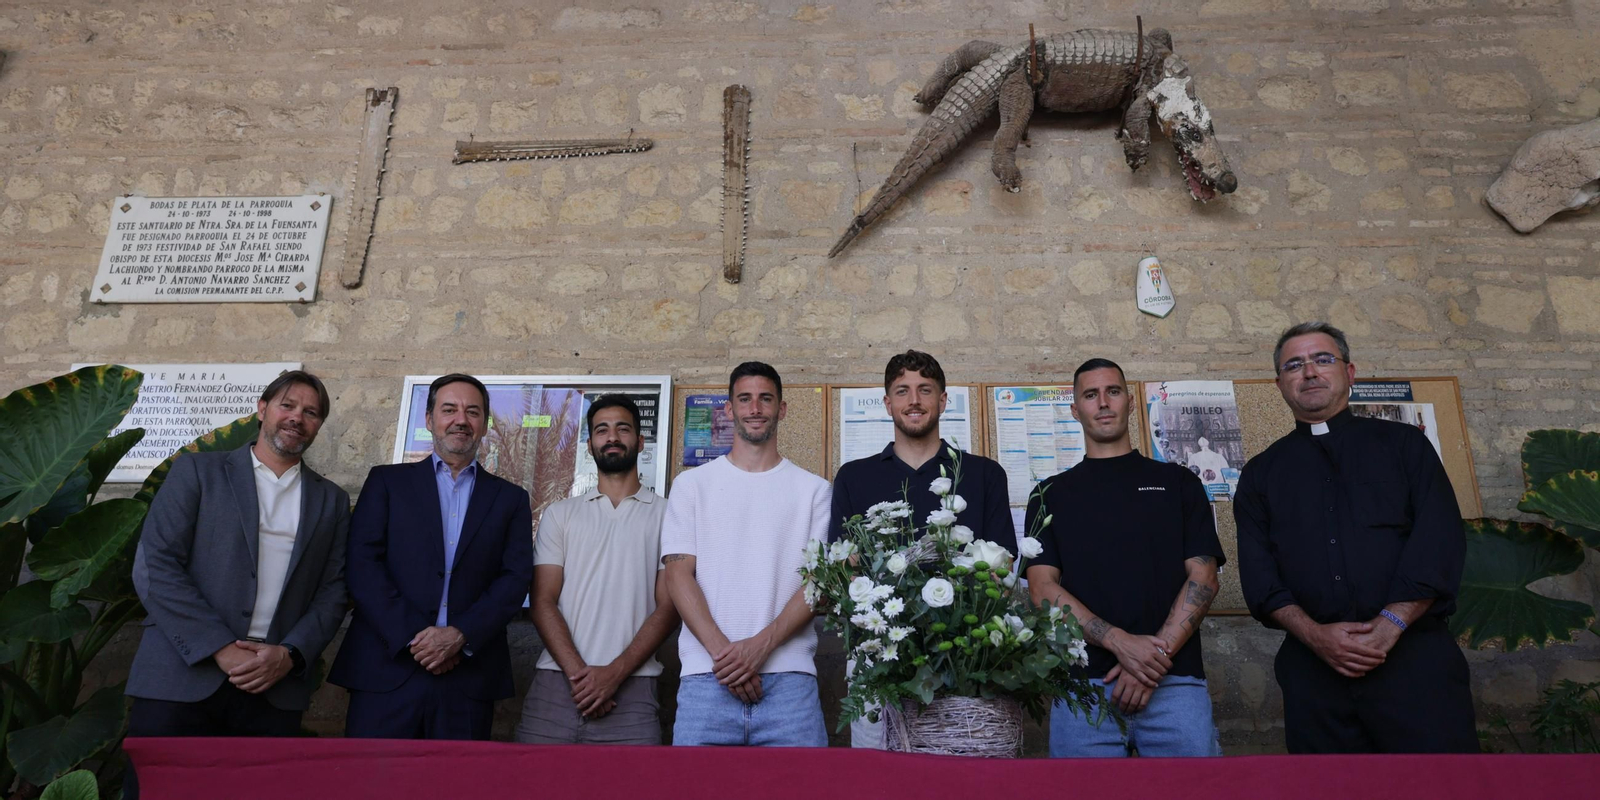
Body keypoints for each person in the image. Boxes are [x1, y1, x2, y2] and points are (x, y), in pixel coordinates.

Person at [1235, 322, 1476, 753]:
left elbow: (1438, 541)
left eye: (1322, 360)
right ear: (1280, 384)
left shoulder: (1405, 446)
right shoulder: (1260, 474)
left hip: (1414, 662)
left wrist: (1390, 626)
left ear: (1350, 373)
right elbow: (1260, 578)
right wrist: (1316, 636)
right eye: (1294, 365)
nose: (1309, 372)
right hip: (1314, 673)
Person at [128, 370, 349, 737]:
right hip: (182, 679)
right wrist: (219, 648)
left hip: (272, 687)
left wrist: (290, 653)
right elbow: (156, 565)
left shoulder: (332, 500)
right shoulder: (198, 471)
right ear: (262, 409)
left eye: (311, 413)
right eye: (287, 405)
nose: (297, 417)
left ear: (319, 425)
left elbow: (334, 589)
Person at [1025, 358, 1225, 757]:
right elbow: (1041, 589)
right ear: (1075, 409)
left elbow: (1204, 577)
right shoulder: (1049, 494)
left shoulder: (1178, 483)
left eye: (1113, 391)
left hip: (1174, 683)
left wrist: (1151, 659)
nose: (1103, 403)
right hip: (1085, 687)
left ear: (1130, 402)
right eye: (1090, 394)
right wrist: (1121, 644)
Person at [329, 373, 534, 740]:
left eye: (472, 412)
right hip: (386, 669)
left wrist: (461, 635)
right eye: (449, 409)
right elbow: (362, 565)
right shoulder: (387, 483)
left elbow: (514, 578)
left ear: (484, 425)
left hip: (467, 675)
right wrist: (415, 637)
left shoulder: (510, 499)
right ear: (429, 420)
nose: (461, 420)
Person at [829, 349, 1013, 748]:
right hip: (880, 658)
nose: (914, 400)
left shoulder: (983, 475)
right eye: (902, 391)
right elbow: (845, 570)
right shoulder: (855, 478)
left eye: (925, 390)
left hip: (964, 659)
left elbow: (1003, 570)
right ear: (887, 403)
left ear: (943, 400)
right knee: (879, 783)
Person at [661, 362, 831, 747]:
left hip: (790, 684)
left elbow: (818, 584)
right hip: (707, 678)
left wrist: (760, 648)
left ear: (782, 409)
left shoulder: (815, 491)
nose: (755, 408)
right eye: (745, 399)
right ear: (728, 409)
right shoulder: (691, 486)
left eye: (765, 399)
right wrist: (729, 659)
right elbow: (677, 575)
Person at [515, 395, 679, 745]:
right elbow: (542, 599)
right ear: (589, 445)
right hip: (556, 684)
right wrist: (581, 676)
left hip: (634, 688)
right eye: (602, 430)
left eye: (623, 428)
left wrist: (614, 674)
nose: (613, 437)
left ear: (640, 441)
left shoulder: (670, 515)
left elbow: (669, 607)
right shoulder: (560, 514)